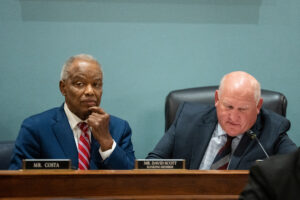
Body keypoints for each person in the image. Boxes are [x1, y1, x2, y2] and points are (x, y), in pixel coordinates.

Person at [147, 71, 297, 169]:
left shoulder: (272, 129)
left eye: (243, 109)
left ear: (258, 106)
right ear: (217, 99)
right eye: (228, 106)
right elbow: (153, 164)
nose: (233, 117)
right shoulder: (187, 118)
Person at [9, 54, 135, 170]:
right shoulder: (35, 128)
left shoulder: (119, 128)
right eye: (80, 84)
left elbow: (132, 182)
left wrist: (107, 142)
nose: (90, 91)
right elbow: (18, 184)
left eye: (96, 84)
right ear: (63, 88)